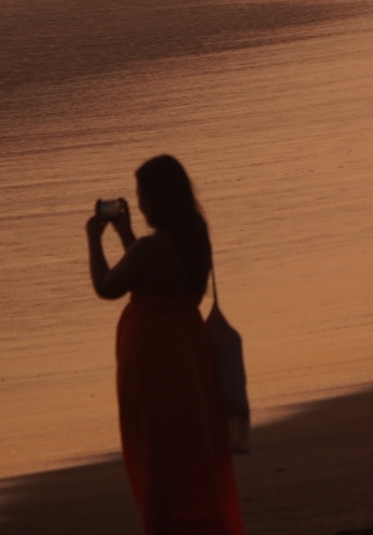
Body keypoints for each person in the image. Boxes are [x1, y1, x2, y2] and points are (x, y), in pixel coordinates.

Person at [87, 154, 244, 535]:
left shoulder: (152, 249)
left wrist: (94, 240)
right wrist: (126, 236)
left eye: (142, 195)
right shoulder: (193, 237)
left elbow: (107, 287)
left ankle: (165, 523)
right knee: (189, 444)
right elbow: (153, 274)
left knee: (156, 448)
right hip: (188, 356)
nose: (139, 204)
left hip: (153, 363)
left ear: (156, 198)